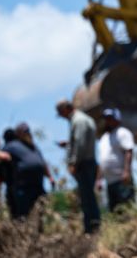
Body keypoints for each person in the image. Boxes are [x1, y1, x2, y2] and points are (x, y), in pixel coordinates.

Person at [0, 123, 55, 219]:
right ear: (18, 134)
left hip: (38, 186)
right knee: (23, 216)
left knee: (39, 214)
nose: (28, 133)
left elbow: (42, 162)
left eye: (28, 131)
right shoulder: (12, 145)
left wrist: (50, 177)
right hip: (23, 187)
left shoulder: (33, 147)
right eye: (25, 131)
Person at [56, 98, 100, 233]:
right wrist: (68, 144)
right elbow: (79, 142)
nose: (62, 117)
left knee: (87, 198)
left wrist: (73, 162)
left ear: (65, 109)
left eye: (61, 113)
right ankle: (92, 226)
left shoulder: (78, 120)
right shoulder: (82, 119)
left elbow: (80, 144)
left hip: (84, 164)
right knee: (87, 197)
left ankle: (92, 228)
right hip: (87, 162)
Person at [96, 108, 135, 212]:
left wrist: (127, 171)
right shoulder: (104, 138)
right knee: (115, 210)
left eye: (110, 118)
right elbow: (102, 160)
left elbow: (129, 151)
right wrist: (99, 179)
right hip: (109, 182)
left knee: (127, 208)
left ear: (117, 119)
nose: (108, 121)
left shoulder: (123, 133)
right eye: (106, 119)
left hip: (121, 179)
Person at [0, 128, 18, 216]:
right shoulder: (23, 148)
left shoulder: (7, 149)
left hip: (14, 187)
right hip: (28, 186)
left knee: (16, 215)